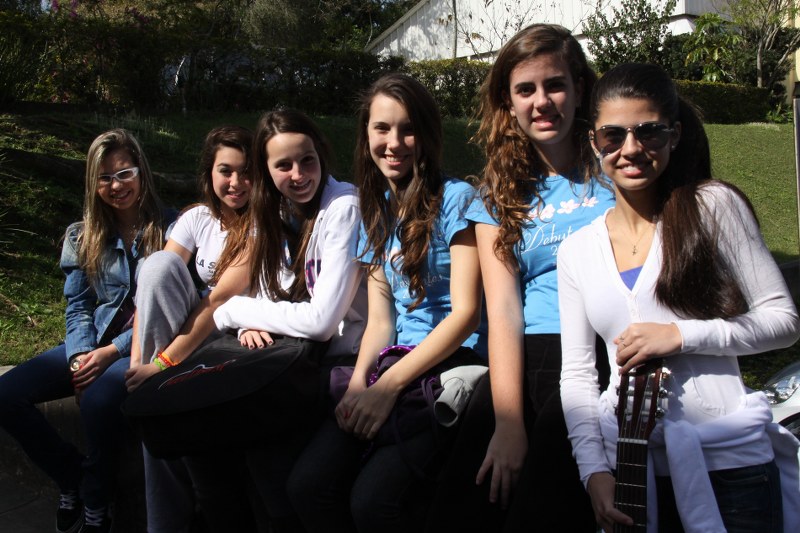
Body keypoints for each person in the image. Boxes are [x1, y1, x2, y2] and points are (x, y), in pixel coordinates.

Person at [558, 62, 800, 533]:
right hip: (633, 470)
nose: (631, 148)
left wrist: (680, 335)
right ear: (593, 141)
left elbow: (783, 321)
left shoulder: (712, 208)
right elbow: (578, 376)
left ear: (675, 134)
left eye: (648, 131)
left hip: (731, 469)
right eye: (613, 135)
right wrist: (594, 471)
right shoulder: (577, 251)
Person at [430, 23, 615, 532]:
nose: (542, 102)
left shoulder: (614, 170)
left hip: (603, 352)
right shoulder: (498, 195)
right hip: (528, 356)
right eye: (525, 90)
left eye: (555, 85)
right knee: (462, 506)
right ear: (508, 104)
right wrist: (508, 423)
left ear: (580, 89)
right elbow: (505, 312)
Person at [287, 72, 487, 533]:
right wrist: (361, 383)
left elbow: (466, 313)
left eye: (408, 129)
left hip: (451, 365)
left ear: (428, 134)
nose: (394, 143)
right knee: (307, 486)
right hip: (392, 364)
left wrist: (388, 388)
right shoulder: (375, 209)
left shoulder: (456, 200)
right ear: (366, 134)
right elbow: (382, 319)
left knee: (374, 502)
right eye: (382, 128)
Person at [197, 108, 368, 533]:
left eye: (307, 160)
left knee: (292, 475)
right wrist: (253, 321)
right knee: (221, 447)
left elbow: (322, 321)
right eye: (283, 165)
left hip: (346, 363)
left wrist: (233, 312)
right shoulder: (276, 211)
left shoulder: (343, 207)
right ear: (265, 169)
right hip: (299, 361)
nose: (298, 174)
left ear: (321, 153)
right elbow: (269, 291)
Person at [0, 129, 173, 533]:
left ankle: (97, 501)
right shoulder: (83, 234)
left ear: (141, 172)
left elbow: (175, 308)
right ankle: (74, 478)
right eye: (105, 178)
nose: (116, 186)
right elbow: (78, 305)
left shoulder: (173, 227)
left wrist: (111, 352)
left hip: (142, 346)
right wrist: (80, 358)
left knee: (97, 401)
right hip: (92, 343)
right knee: (6, 395)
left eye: (124, 173)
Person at [123, 125, 254, 533]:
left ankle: (165, 523)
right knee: (157, 264)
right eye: (225, 171)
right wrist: (138, 364)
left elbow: (216, 304)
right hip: (189, 331)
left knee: (160, 400)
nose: (236, 183)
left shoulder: (263, 223)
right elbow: (152, 285)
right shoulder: (197, 218)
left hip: (231, 334)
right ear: (209, 172)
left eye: (247, 172)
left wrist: (161, 366)